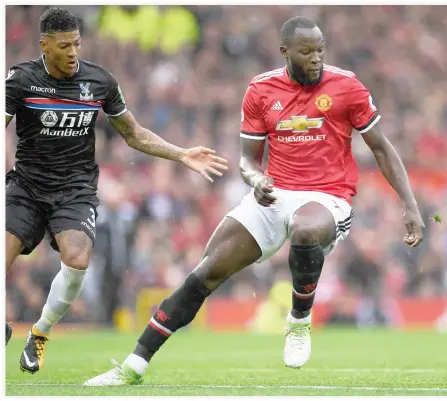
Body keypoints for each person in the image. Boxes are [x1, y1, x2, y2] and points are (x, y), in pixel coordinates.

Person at [84, 16, 424, 386]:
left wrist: (410, 205)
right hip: (272, 194)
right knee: (205, 273)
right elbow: (247, 159)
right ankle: (133, 365)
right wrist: (255, 177)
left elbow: (382, 148)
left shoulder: (347, 86)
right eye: (307, 51)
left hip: (327, 196)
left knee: (305, 230)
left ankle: (298, 322)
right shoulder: (261, 90)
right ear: (285, 51)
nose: (316, 58)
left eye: (321, 49)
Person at [5, 7, 228, 374]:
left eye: (77, 43)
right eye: (64, 46)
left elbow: (134, 134)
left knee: (77, 260)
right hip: (26, 186)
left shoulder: (100, 81)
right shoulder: (20, 80)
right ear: (44, 45)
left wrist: (180, 153)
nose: (73, 52)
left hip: (75, 189)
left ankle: (40, 333)